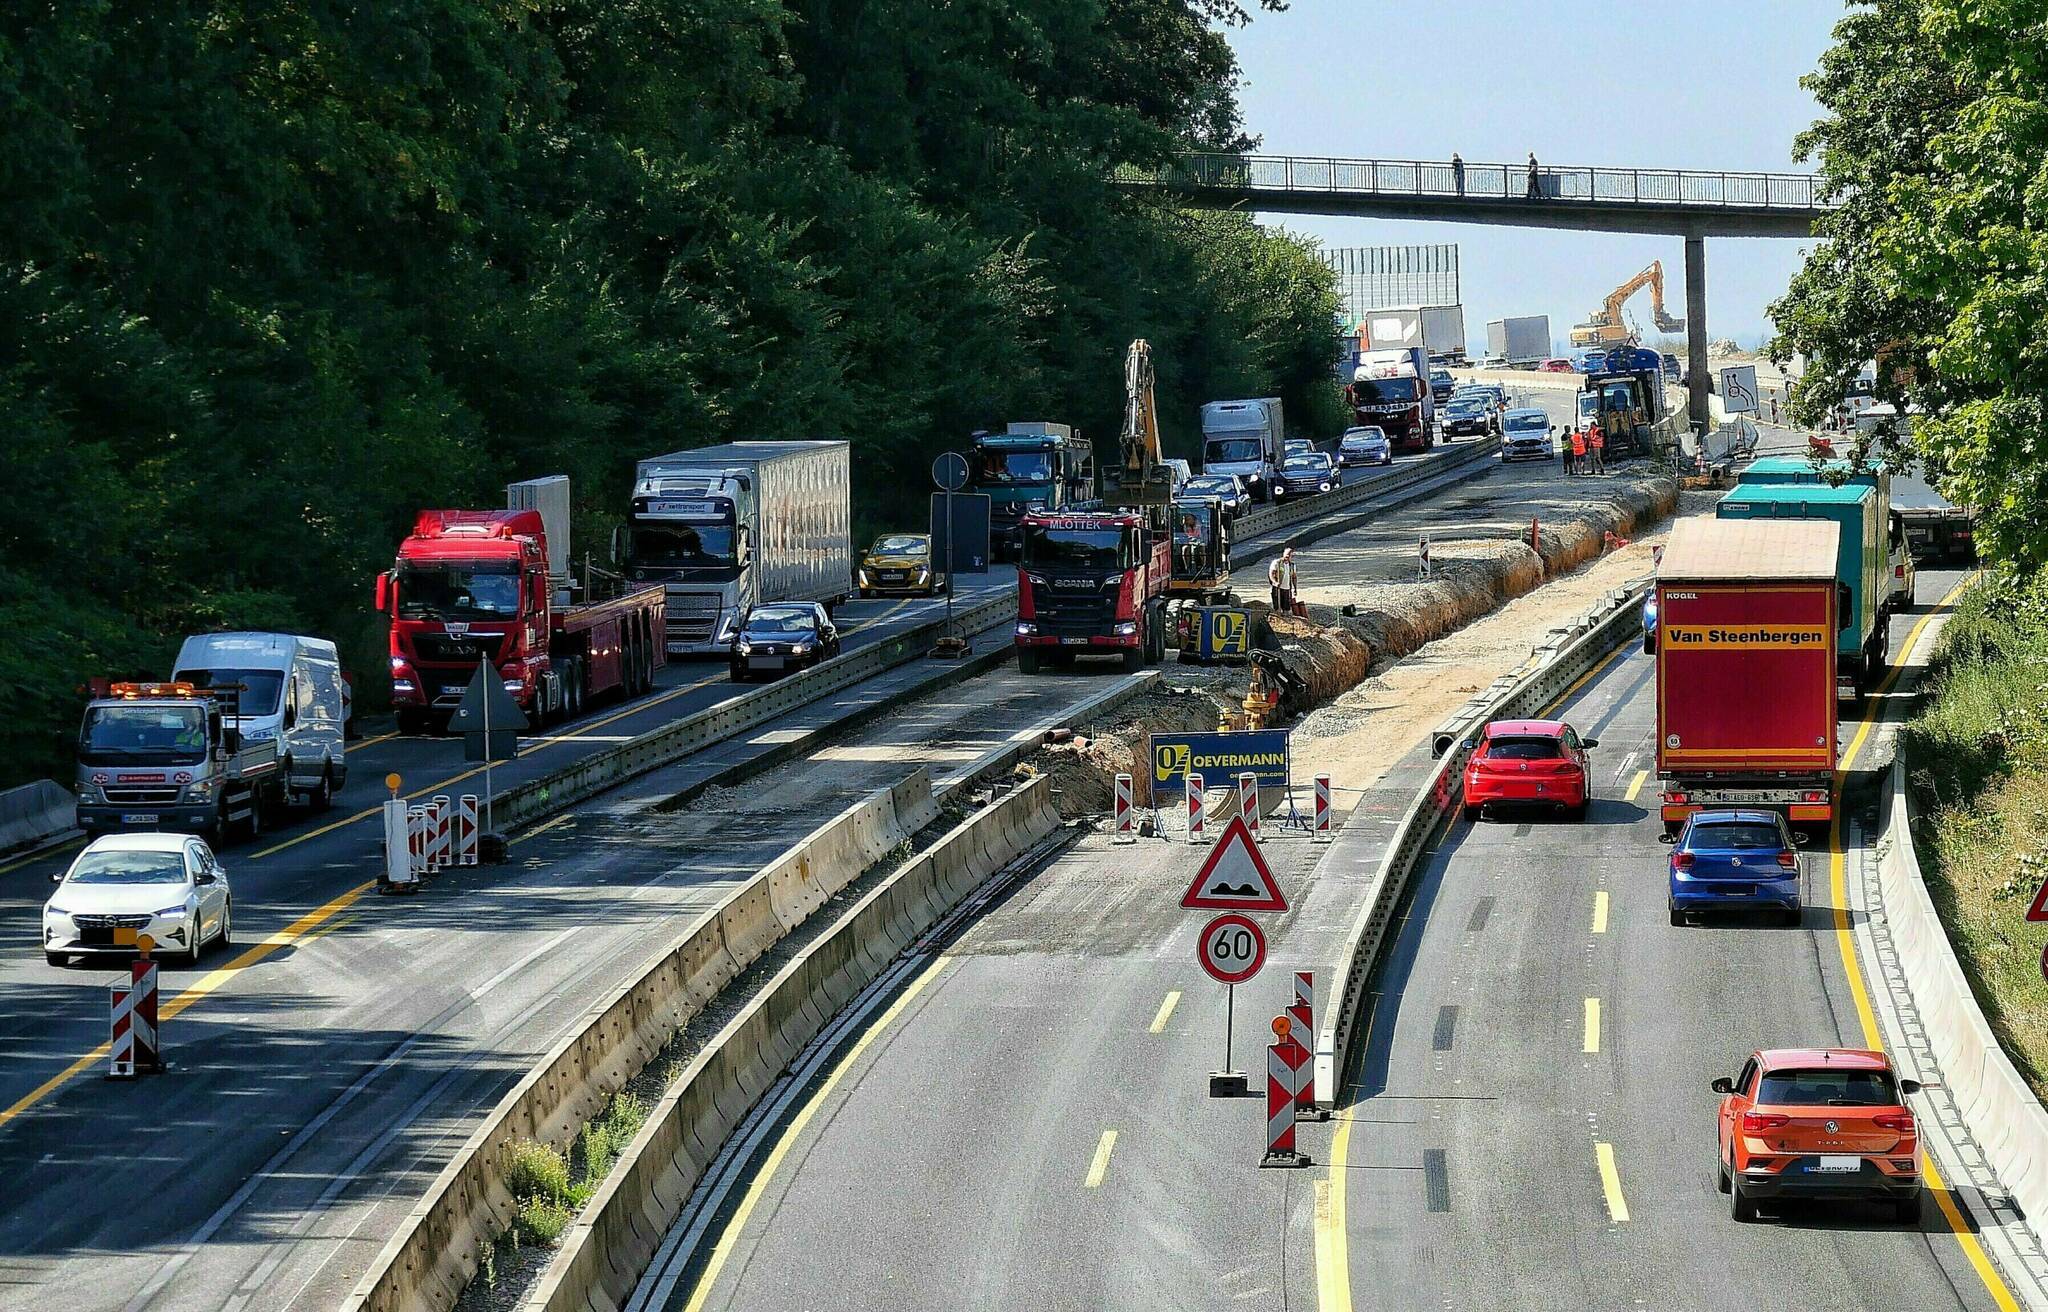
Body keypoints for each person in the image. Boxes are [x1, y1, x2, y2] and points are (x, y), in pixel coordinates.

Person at [1269, 547, 1298, 615]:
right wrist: (1275, 582)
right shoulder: (1277, 563)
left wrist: (1295, 588)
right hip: (1277, 588)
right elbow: (1271, 573)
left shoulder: (1292, 566)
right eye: (1286, 555)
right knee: (1277, 607)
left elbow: (1294, 577)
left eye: (1289, 556)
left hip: (1287, 589)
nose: (1287, 557)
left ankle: (1286, 620)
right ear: (1283, 554)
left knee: (1286, 608)